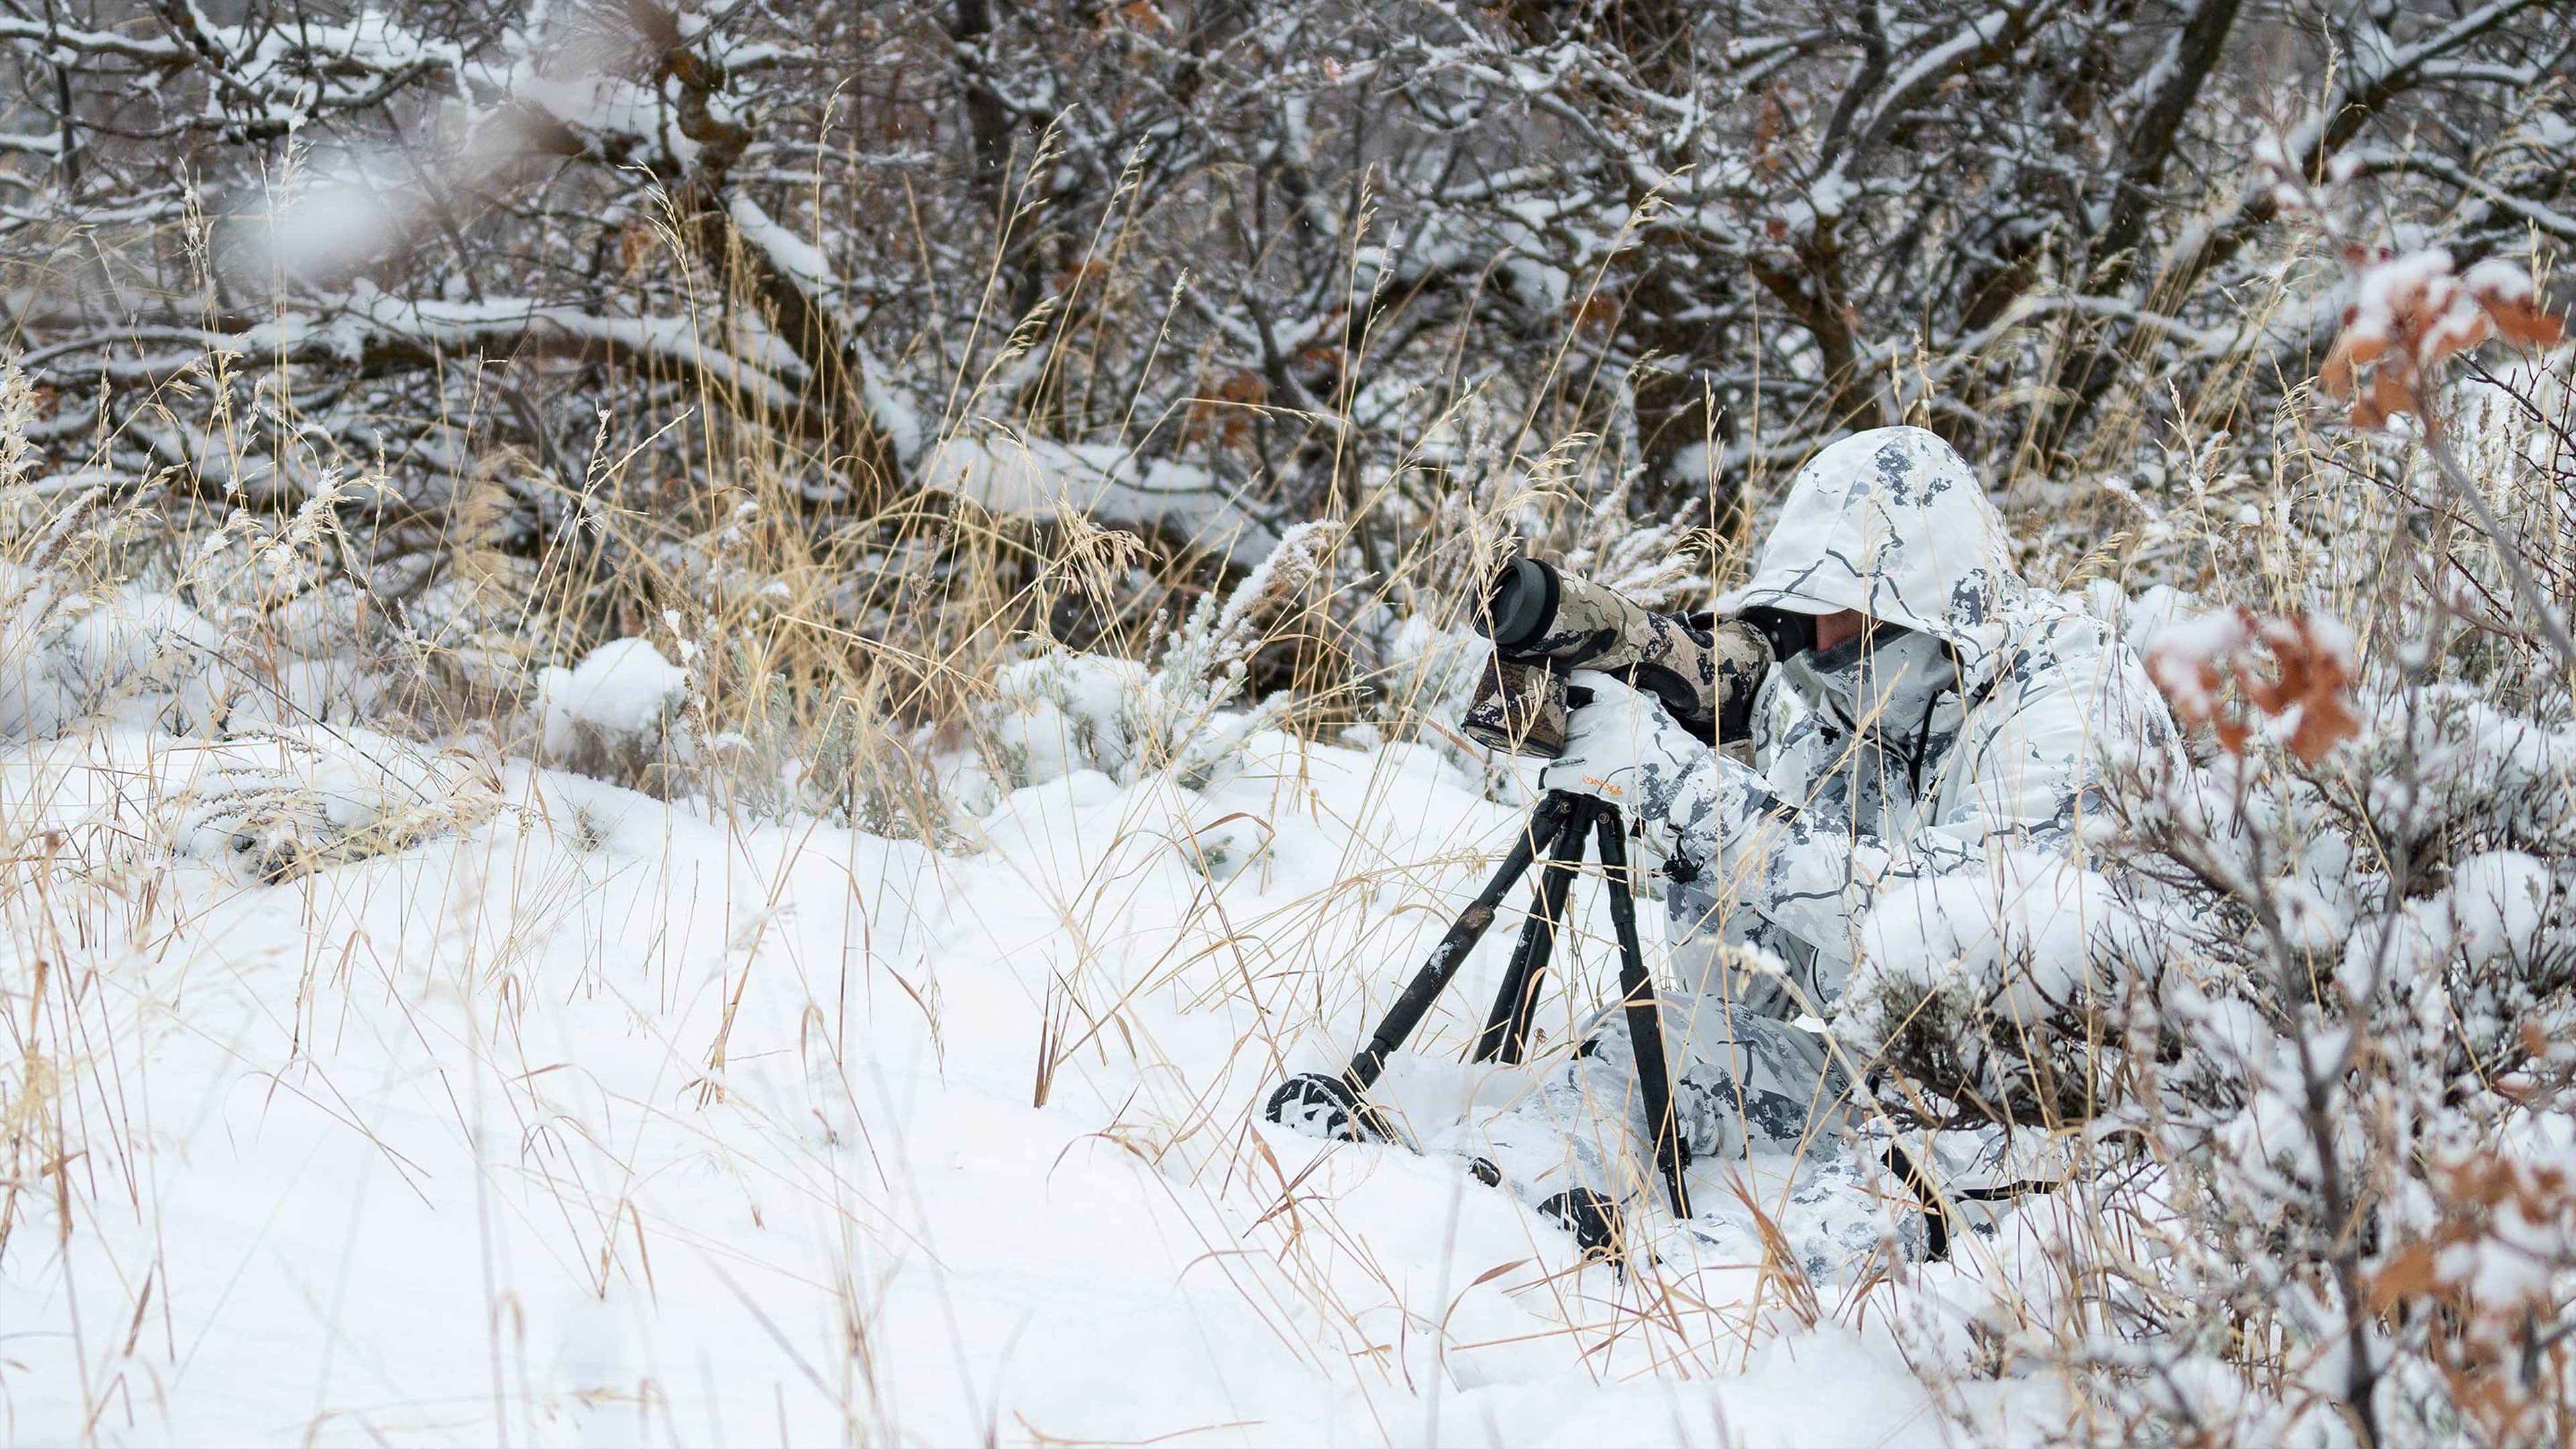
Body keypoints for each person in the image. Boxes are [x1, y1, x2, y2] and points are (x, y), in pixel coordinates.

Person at [1436, 425, 2176, 1269]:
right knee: (1657, 1040)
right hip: (1873, 1077)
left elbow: (1966, 940)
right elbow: (1738, 988)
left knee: (1746, 1276)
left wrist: (1696, 795)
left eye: (1848, 606)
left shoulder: (2074, 698)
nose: (1820, 640)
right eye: (1808, 607)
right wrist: (1702, 772)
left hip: (2034, 1112)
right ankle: (1503, 1213)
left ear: (1927, 594)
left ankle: (1681, 1294)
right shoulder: (1834, 702)